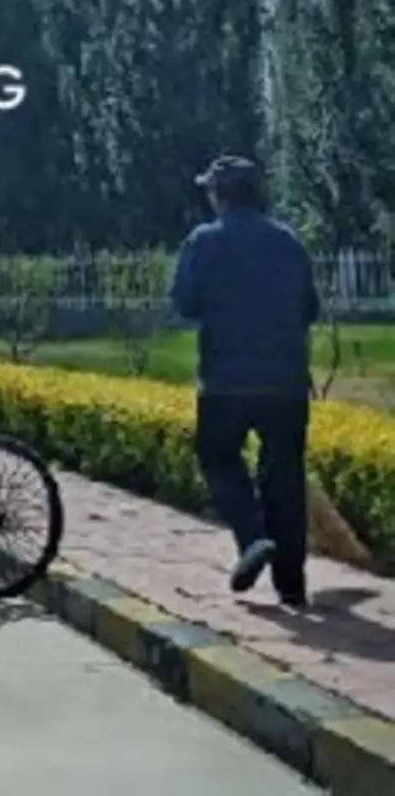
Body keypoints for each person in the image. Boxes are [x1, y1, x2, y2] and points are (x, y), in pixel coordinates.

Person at [170, 155, 320, 608]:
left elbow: (185, 303)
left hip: (226, 382)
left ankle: (252, 537)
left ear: (218, 196)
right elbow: (309, 308)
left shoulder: (204, 241)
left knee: (217, 457)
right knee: (285, 477)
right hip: (287, 382)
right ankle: (291, 586)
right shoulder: (288, 241)